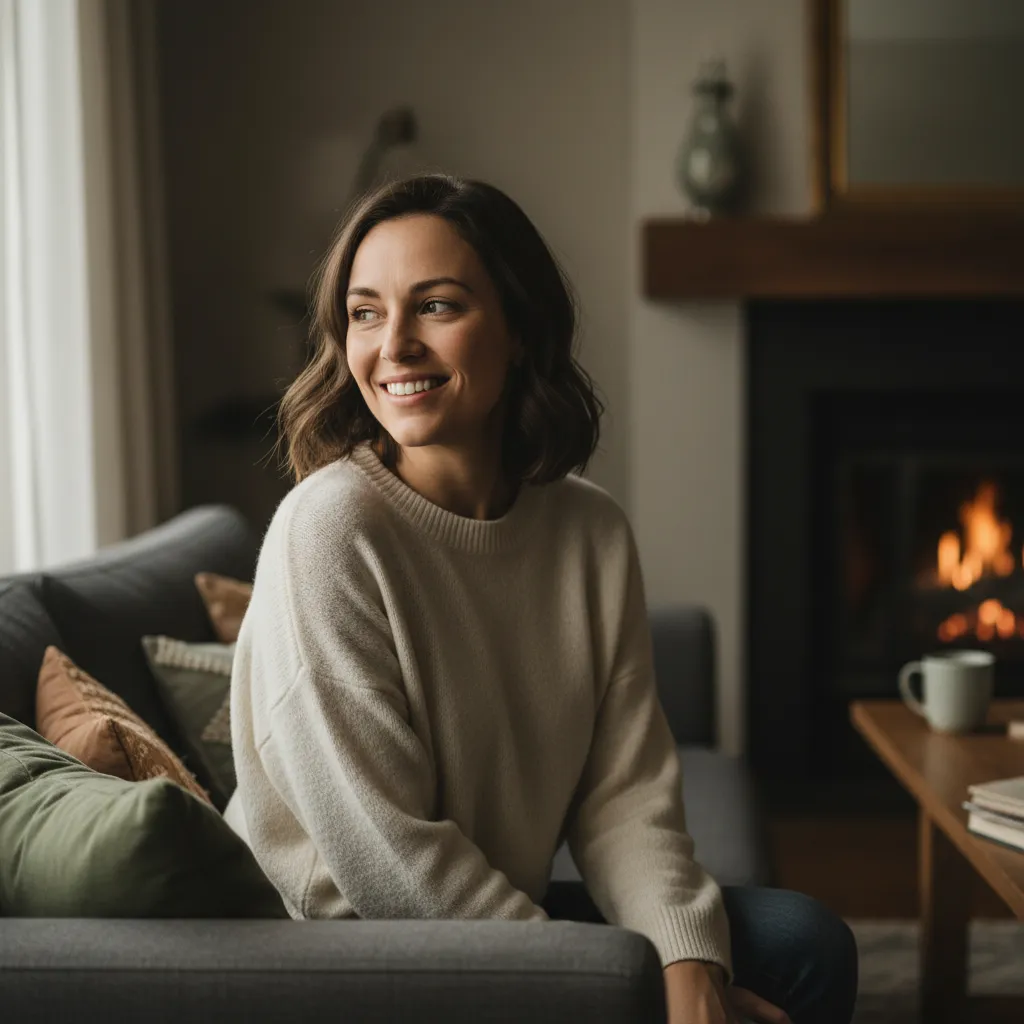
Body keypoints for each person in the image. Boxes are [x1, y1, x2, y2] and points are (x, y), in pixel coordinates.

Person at [223, 173, 858, 1024]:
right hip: (342, 952)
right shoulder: (330, 529)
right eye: (366, 313)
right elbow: (388, 859)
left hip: (481, 918)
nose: (394, 345)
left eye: (437, 306)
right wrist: (591, 980)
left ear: (519, 329)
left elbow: (623, 797)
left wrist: (686, 963)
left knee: (803, 945)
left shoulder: (587, 531)